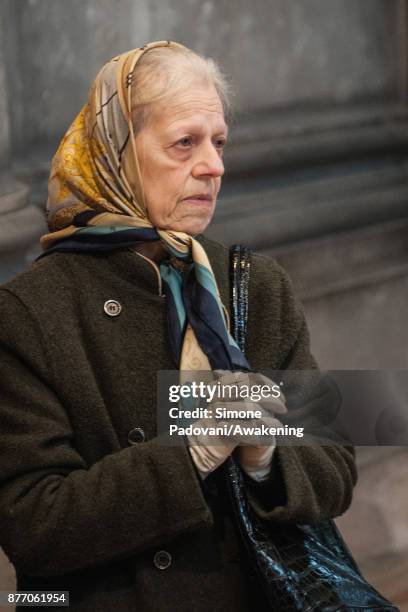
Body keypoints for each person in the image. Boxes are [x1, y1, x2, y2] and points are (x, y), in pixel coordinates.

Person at [0, 41, 357, 611]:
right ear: (117, 153)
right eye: (184, 143)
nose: (214, 165)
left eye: (218, 142)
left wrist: (268, 456)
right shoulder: (30, 313)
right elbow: (31, 522)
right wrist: (191, 451)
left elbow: (336, 467)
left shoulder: (255, 284)